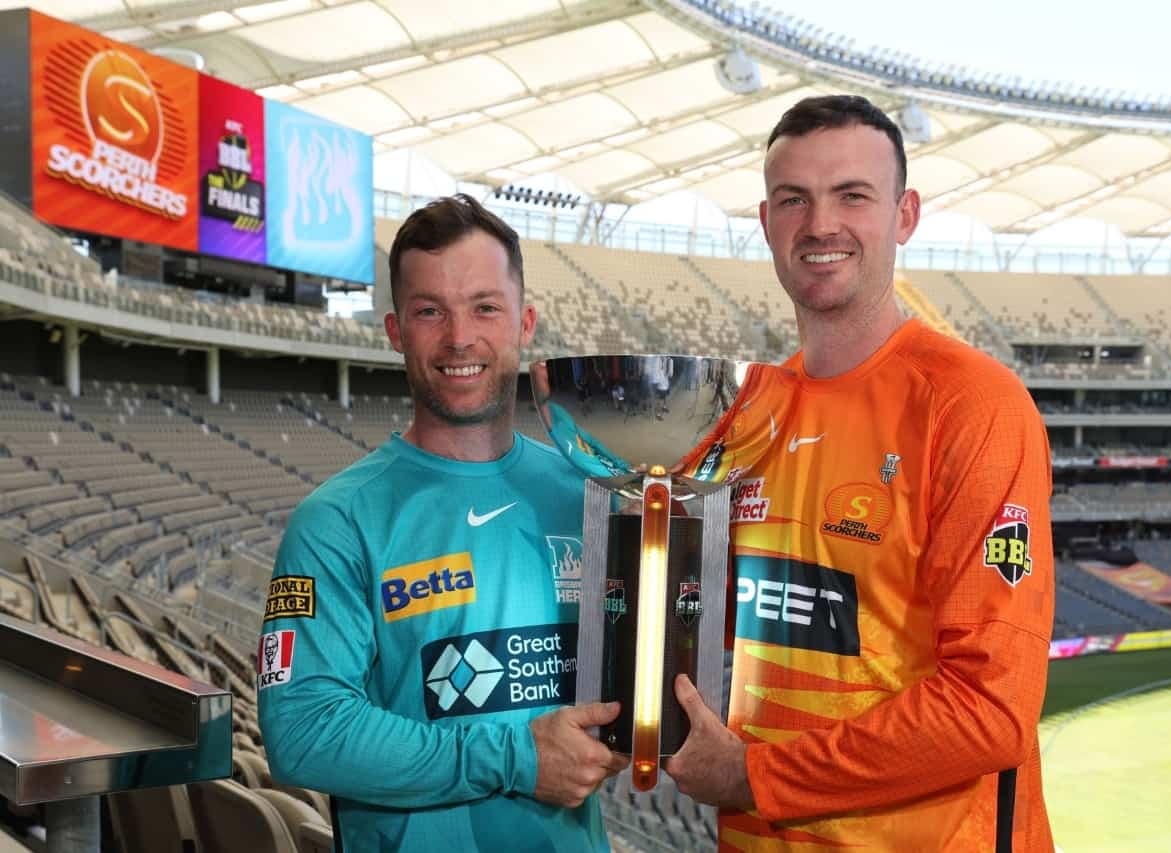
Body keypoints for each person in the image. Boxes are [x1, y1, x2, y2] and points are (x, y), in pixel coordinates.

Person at [665, 95, 1056, 851]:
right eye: (794, 200)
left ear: (904, 215)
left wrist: (755, 776)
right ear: (767, 221)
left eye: (853, 195)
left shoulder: (974, 405)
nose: (820, 225)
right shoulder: (747, 410)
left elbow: (990, 710)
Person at [257, 194, 627, 852]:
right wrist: (515, 756)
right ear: (397, 330)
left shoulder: (590, 495)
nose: (459, 337)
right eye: (431, 311)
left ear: (525, 322)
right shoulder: (337, 522)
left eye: (485, 307)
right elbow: (304, 732)